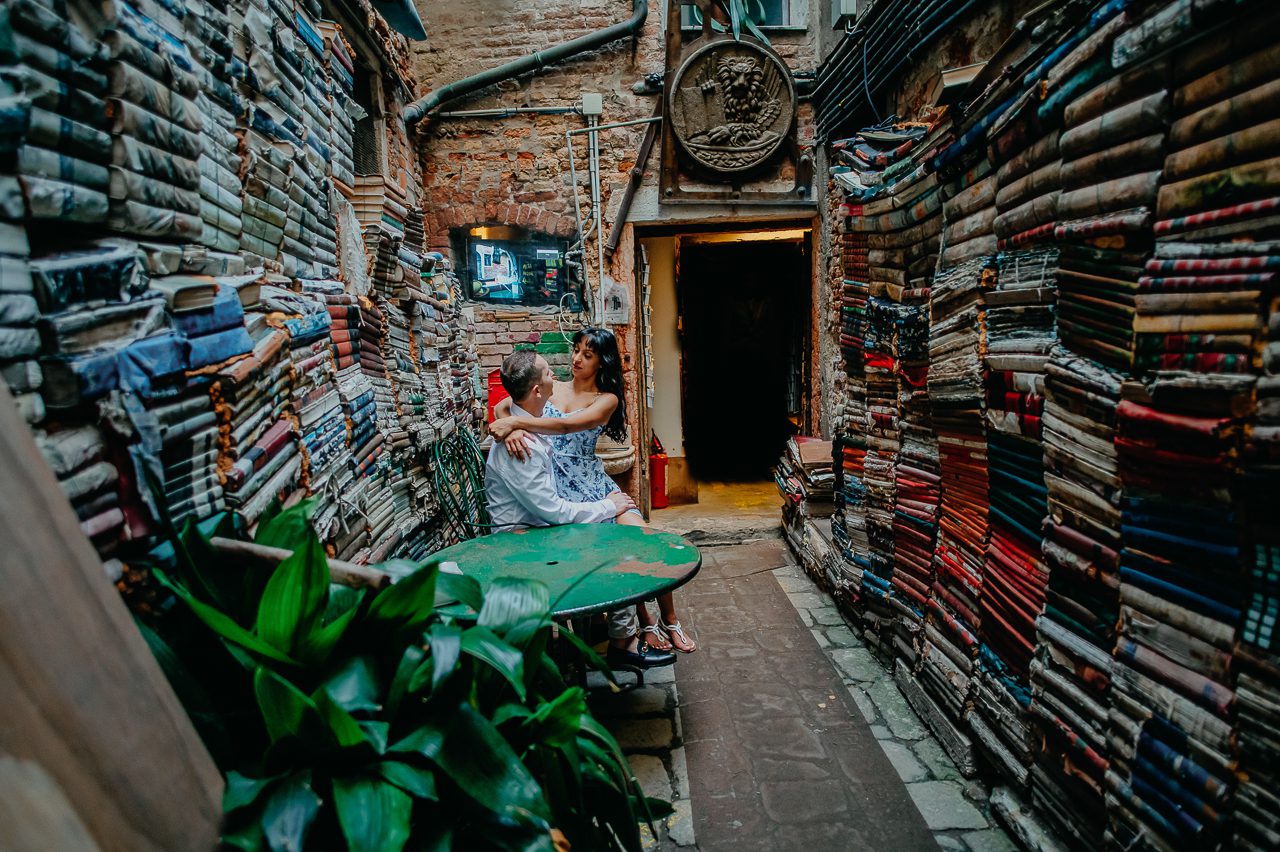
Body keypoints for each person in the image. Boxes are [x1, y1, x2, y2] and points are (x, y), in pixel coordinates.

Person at [490, 327, 697, 654]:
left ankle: (670, 619)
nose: (576, 359)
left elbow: (566, 426)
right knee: (613, 554)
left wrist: (515, 425)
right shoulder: (552, 386)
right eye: (576, 351)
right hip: (558, 485)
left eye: (587, 355)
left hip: (593, 484)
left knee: (644, 539)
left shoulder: (607, 399)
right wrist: (506, 423)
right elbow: (510, 403)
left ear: (603, 362)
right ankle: (645, 625)